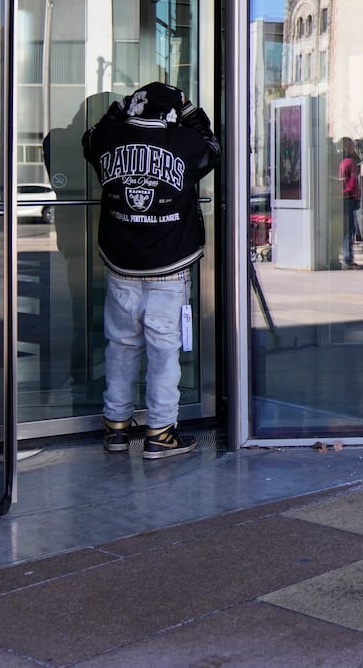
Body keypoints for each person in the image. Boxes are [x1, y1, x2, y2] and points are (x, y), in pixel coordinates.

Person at [83, 81, 221, 458]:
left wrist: (120, 109)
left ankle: (116, 427)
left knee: (121, 347)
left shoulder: (109, 138)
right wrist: (189, 110)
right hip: (169, 268)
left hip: (121, 265)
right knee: (164, 353)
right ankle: (160, 433)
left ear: (133, 107)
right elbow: (212, 145)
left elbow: (89, 138)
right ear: (173, 112)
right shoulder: (185, 143)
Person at [339, 137, 362, 269]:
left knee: (346, 229)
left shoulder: (341, 162)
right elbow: (353, 183)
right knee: (350, 229)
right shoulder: (350, 163)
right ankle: (348, 258)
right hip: (349, 198)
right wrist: (356, 196)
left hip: (342, 198)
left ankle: (346, 257)